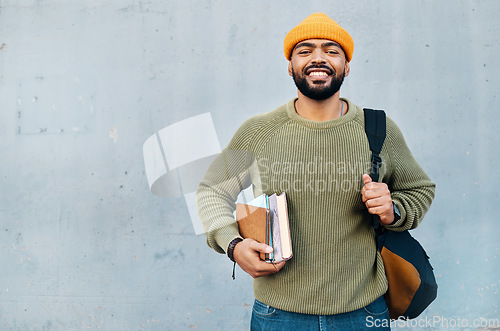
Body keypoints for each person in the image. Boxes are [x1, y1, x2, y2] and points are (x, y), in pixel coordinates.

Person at [196, 12, 435, 330]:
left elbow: (419, 189)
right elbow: (211, 190)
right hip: (277, 314)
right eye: (305, 50)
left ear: (346, 66)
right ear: (290, 66)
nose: (318, 58)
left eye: (331, 50)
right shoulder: (258, 131)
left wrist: (394, 210)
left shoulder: (378, 130)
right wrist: (232, 244)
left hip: (363, 313)